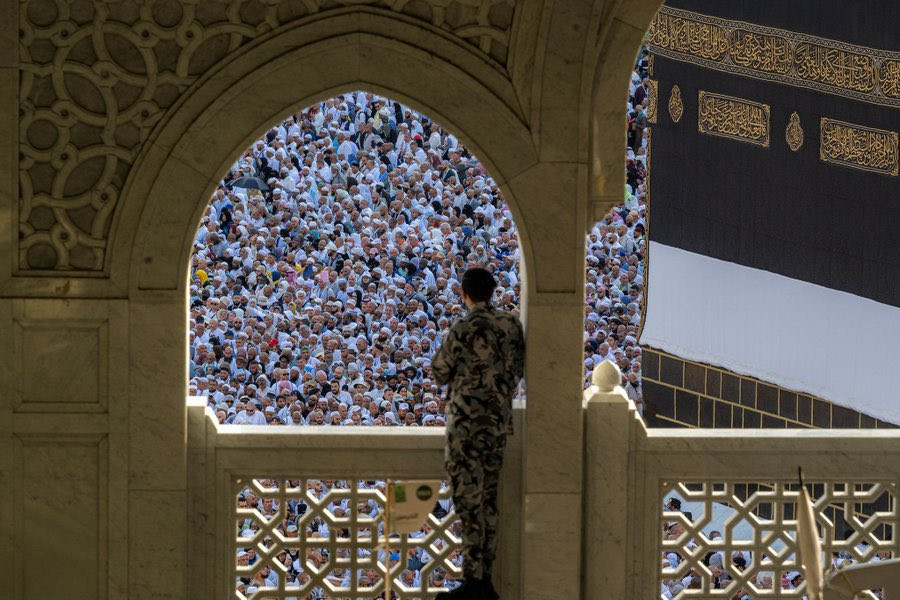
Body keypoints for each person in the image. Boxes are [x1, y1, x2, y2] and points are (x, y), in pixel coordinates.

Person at [431, 267, 525, 600]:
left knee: (468, 503)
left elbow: (439, 371)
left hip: (465, 428)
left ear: (464, 294)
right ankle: (484, 579)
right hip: (497, 425)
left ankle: (474, 582)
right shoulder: (510, 325)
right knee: (488, 502)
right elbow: (517, 370)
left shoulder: (462, 327)